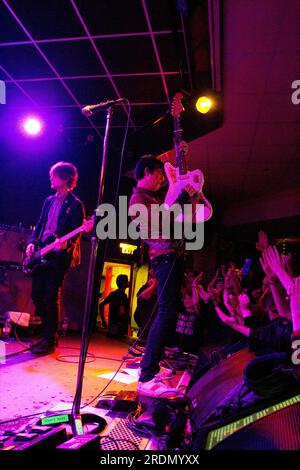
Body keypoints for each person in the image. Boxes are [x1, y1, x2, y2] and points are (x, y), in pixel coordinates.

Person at [129, 146, 211, 397]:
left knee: (169, 312)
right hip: (164, 259)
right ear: (146, 172)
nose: (162, 179)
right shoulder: (138, 200)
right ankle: (147, 375)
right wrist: (182, 201)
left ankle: (150, 369)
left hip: (171, 258)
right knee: (166, 313)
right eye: (159, 175)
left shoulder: (151, 198)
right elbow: (160, 223)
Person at [25, 161, 86, 354]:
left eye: (54, 175)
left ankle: (49, 339)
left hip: (58, 257)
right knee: (37, 295)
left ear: (66, 178)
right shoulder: (48, 200)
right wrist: (31, 242)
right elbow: (40, 223)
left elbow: (76, 233)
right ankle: (47, 334)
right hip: (41, 252)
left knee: (51, 296)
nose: (51, 178)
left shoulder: (76, 205)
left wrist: (65, 244)